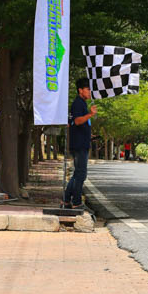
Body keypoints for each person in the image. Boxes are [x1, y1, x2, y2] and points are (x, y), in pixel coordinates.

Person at [63, 78, 96, 209]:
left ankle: (66, 200)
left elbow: (77, 124)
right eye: (88, 89)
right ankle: (76, 202)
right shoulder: (78, 103)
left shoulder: (81, 103)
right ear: (80, 90)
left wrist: (89, 134)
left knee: (78, 173)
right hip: (79, 144)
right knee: (81, 174)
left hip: (81, 142)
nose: (90, 92)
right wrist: (90, 115)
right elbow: (77, 121)